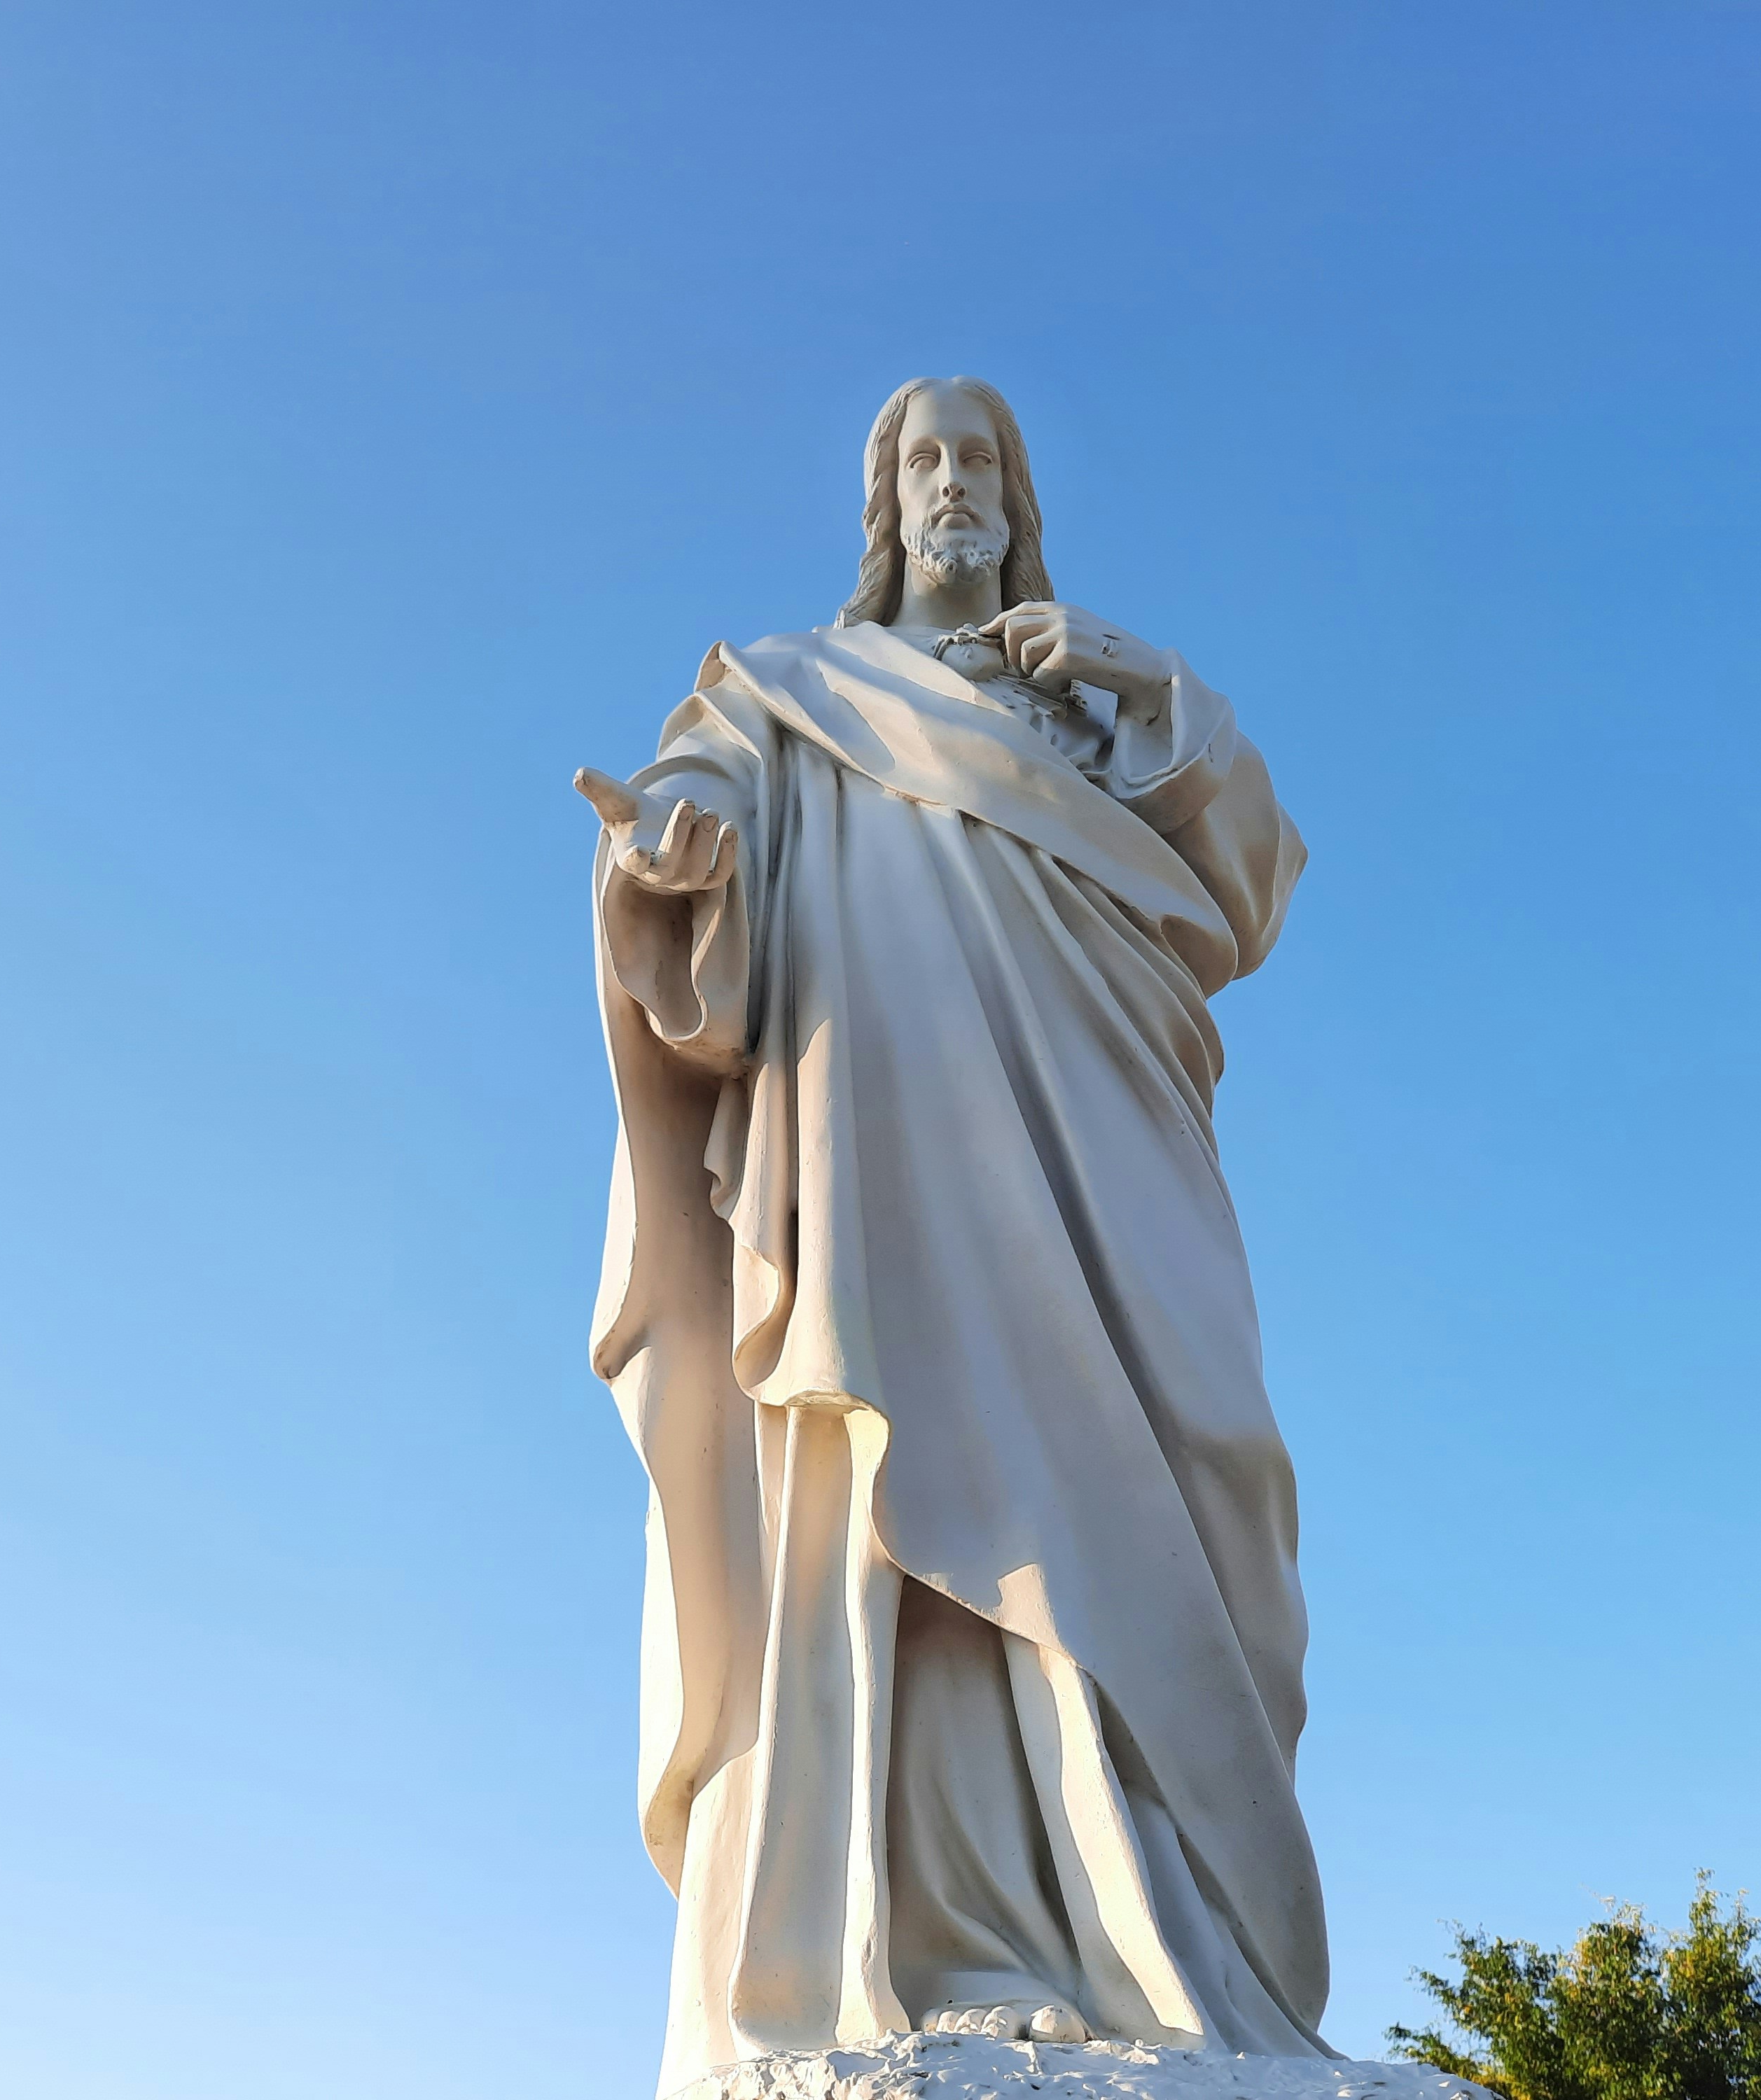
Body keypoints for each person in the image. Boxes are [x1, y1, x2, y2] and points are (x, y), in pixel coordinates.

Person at [576, 377, 1325, 2095]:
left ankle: (1169, 1939)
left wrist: (1144, 691)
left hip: (1101, 1148)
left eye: (980, 458)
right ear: (881, 501)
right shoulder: (780, 698)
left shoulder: (1099, 697)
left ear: (1016, 494)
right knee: (900, 1501)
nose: (952, 484)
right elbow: (686, 878)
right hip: (877, 1146)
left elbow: (1252, 884)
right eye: (923, 459)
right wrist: (670, 872)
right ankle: (926, 1946)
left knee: (1173, 1471)